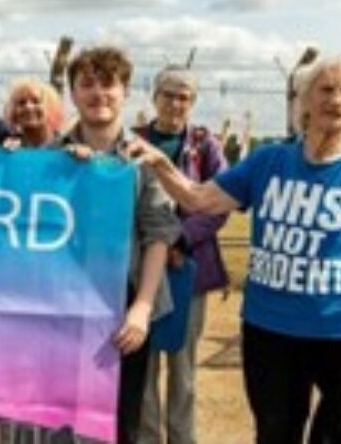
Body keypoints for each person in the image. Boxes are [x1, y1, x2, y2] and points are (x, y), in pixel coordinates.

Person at [130, 57, 341, 443]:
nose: (337, 100)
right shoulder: (268, 161)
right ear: (303, 100)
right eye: (326, 89)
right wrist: (160, 162)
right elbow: (199, 199)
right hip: (271, 331)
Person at [59, 46, 180, 444]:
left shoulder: (144, 159)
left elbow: (159, 233)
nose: (99, 94)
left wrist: (142, 309)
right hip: (61, 302)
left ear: (126, 91)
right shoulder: (50, 156)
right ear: (73, 93)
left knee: (123, 415)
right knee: (59, 412)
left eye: (108, 84)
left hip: (124, 303)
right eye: (87, 85)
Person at [134, 65, 229, 444]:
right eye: (169, 93)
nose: (175, 102)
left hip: (188, 269)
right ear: (154, 96)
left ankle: (182, 438)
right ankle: (146, 437)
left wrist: (181, 241)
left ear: (193, 102)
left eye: (184, 96)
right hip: (139, 267)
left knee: (182, 367)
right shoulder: (133, 141)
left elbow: (220, 203)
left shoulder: (206, 146)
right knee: (142, 367)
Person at [1, 77, 64, 148]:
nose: (28, 107)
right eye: (22, 103)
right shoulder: (7, 146)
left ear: (50, 107)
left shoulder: (66, 146)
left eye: (36, 101)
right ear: (13, 113)